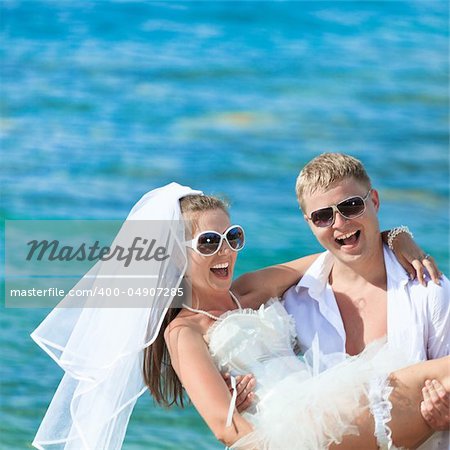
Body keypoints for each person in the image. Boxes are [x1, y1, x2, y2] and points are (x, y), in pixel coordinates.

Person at [31, 183, 447, 450]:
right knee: (431, 376)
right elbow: (223, 426)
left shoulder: (249, 289)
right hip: (295, 434)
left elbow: (339, 248)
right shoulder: (184, 332)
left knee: (431, 386)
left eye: (233, 237)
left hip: (328, 403)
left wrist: (397, 237)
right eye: (209, 241)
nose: (225, 250)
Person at [233, 153, 450, 449]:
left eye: (351, 206)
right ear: (310, 223)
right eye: (323, 216)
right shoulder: (298, 302)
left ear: (373, 201)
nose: (340, 223)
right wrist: (245, 396)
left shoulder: (428, 289)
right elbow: (238, 301)